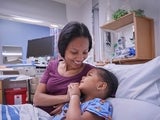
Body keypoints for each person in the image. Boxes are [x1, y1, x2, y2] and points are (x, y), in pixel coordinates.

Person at [33, 21, 95, 114]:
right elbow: (37, 99)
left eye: (85, 52)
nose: (80, 58)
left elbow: (97, 97)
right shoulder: (52, 65)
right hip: (37, 113)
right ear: (63, 49)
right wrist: (67, 98)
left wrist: (71, 104)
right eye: (74, 52)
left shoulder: (91, 72)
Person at [52, 67, 118, 120]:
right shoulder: (79, 102)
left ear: (101, 86)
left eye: (89, 75)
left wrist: (74, 96)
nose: (83, 77)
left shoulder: (101, 104)